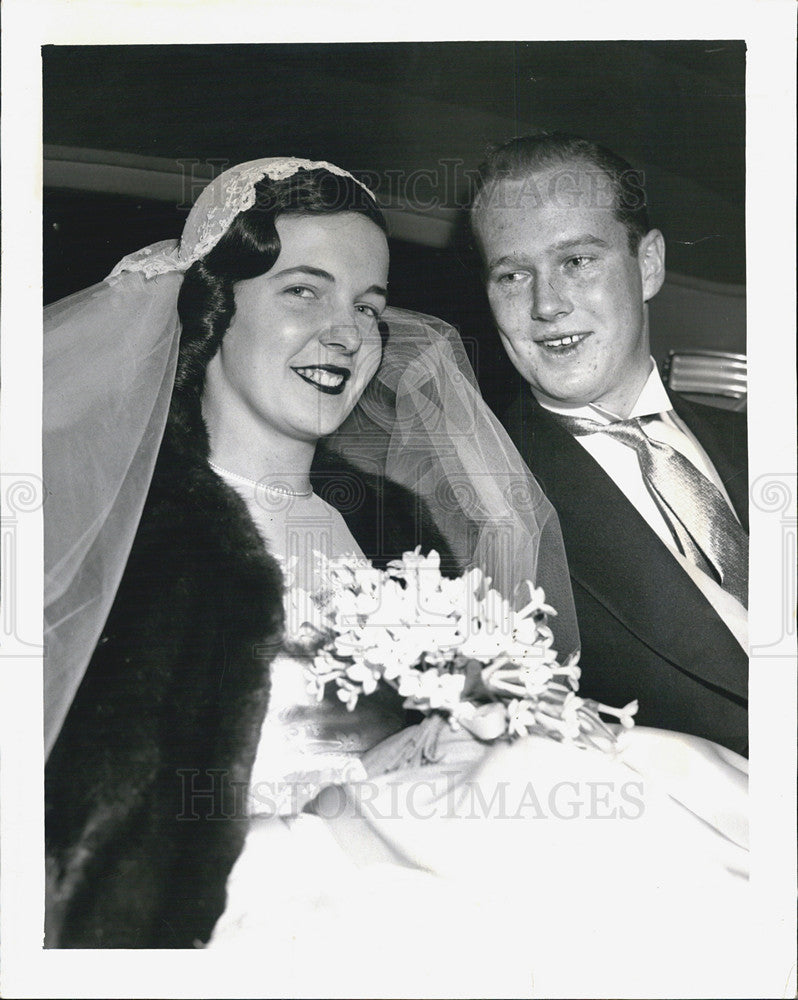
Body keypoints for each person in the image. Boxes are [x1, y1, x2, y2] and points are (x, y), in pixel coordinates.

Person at [43, 156, 752, 994]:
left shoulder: (397, 524)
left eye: (368, 307)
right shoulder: (141, 532)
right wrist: (355, 796)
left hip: (446, 851)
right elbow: (88, 832)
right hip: (258, 901)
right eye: (303, 291)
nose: (345, 332)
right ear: (216, 302)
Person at [470, 132, 748, 755]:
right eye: (513, 275)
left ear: (647, 265)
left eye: (577, 261)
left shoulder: (762, 441)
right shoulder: (468, 497)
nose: (546, 304)